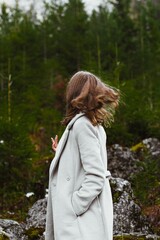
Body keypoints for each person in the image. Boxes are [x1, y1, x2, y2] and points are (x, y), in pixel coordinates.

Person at [45, 71, 120, 240]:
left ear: (73, 91)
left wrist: (74, 206)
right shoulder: (90, 124)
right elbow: (84, 159)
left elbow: (96, 175)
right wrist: (62, 152)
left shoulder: (82, 126)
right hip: (81, 221)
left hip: (80, 222)